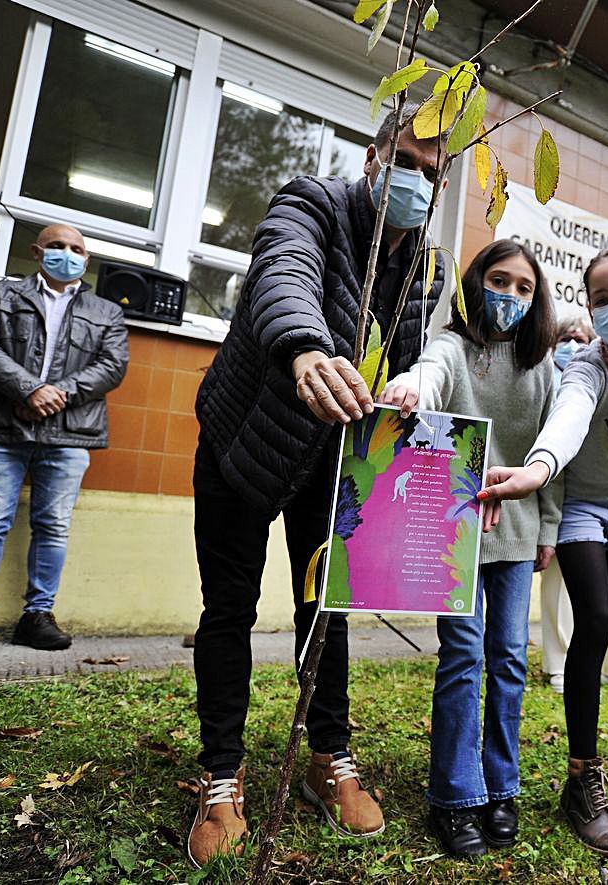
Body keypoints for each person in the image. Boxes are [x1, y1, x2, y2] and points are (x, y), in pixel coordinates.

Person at [185, 103, 444, 866]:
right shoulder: (314, 200)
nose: (417, 181)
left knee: (321, 605)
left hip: (333, 459)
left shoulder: (423, 263)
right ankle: (221, 776)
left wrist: (411, 383)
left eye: (433, 173)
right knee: (228, 606)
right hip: (245, 441)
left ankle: (329, 758)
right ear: (374, 154)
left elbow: (418, 346)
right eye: (407, 161)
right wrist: (304, 349)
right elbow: (283, 270)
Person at [477, 247, 608, 856]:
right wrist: (537, 470)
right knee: (593, 622)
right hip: (579, 507)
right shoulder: (587, 368)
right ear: (590, 313)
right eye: (600, 300)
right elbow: (569, 418)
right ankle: (581, 777)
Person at [379, 239, 559, 856]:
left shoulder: (545, 368)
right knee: (462, 658)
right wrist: (409, 386)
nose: (509, 294)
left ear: (537, 302)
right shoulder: (452, 347)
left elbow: (553, 453)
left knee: (509, 659)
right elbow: (430, 375)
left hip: (518, 532)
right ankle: (455, 795)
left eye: (524, 288)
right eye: (499, 280)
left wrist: (550, 532)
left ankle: (501, 787)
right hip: (455, 532)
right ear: (475, 281)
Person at [0, 224, 128, 655]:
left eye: (76, 250)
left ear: (86, 260)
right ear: (37, 251)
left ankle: (37, 616)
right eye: (57, 246)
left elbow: (113, 366)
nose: (66, 254)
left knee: (53, 527)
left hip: (69, 434)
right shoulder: (0, 294)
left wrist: (56, 395)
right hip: (0, 426)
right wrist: (28, 389)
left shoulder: (108, 312)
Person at [540, 316, 594, 693]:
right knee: (556, 585)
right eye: (566, 338)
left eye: (580, 339)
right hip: (552, 491)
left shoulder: (597, 377)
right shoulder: (545, 379)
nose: (573, 345)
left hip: (591, 496)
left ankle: (605, 662)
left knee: (598, 593)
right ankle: (556, 663)